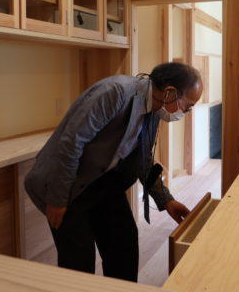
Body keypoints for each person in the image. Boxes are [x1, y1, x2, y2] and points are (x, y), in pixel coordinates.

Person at [23, 62, 203, 282]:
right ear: (169, 92)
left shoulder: (156, 109)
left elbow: (143, 159)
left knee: (124, 246)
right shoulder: (114, 93)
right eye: (188, 106)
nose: (187, 112)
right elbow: (71, 144)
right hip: (68, 184)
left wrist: (166, 200)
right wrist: (58, 199)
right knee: (78, 263)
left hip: (104, 182)